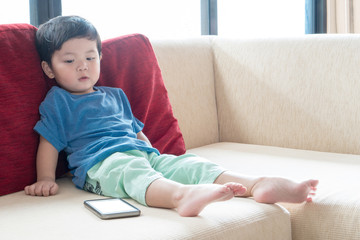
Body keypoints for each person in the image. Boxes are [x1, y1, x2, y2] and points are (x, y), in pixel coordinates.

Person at [24, 16, 318, 217]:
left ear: (100, 58)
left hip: (141, 152)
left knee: (187, 163)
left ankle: (256, 184)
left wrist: (155, 156)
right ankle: (180, 197)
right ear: (49, 69)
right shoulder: (57, 101)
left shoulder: (115, 95)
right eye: (69, 60)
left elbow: (136, 131)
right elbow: (48, 142)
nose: (82, 67)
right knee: (132, 174)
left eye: (90, 57)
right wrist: (46, 178)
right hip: (100, 164)